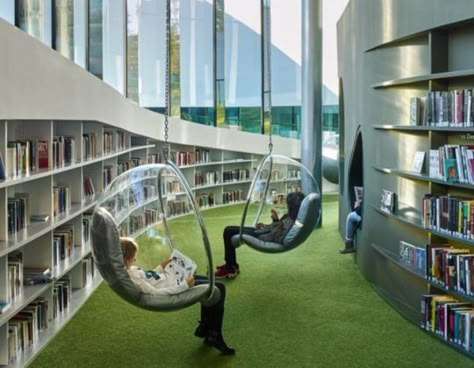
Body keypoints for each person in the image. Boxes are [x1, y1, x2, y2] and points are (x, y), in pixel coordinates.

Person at [120, 237, 235, 355]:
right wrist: (184, 285)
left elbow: (150, 278)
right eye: (133, 257)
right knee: (219, 288)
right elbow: (155, 292)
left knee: (218, 287)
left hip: (171, 278)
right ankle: (214, 334)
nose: (135, 260)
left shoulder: (130, 270)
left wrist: (160, 267)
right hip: (175, 286)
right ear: (125, 258)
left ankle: (206, 327)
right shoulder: (132, 276)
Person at [215, 191, 306, 278]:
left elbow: (279, 238)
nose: (287, 206)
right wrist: (272, 222)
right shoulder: (289, 216)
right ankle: (232, 265)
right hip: (263, 231)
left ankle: (230, 267)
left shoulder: (292, 222)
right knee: (229, 229)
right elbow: (277, 228)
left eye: (289, 204)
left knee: (228, 232)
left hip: (263, 236)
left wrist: (274, 223)